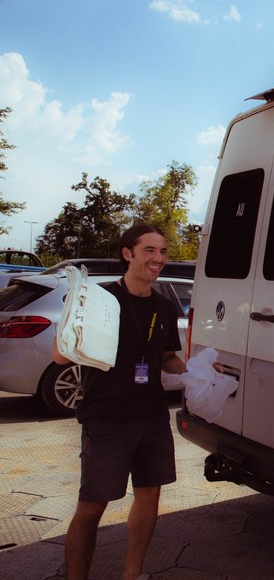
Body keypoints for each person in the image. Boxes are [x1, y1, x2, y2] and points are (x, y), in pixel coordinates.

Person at [52, 224, 186, 580]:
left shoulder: (165, 306)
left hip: (151, 417)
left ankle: (132, 574)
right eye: (149, 251)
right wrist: (70, 328)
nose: (158, 259)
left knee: (149, 497)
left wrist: (201, 371)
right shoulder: (99, 299)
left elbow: (168, 357)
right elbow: (61, 356)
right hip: (107, 418)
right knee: (91, 508)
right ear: (128, 253)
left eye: (163, 252)